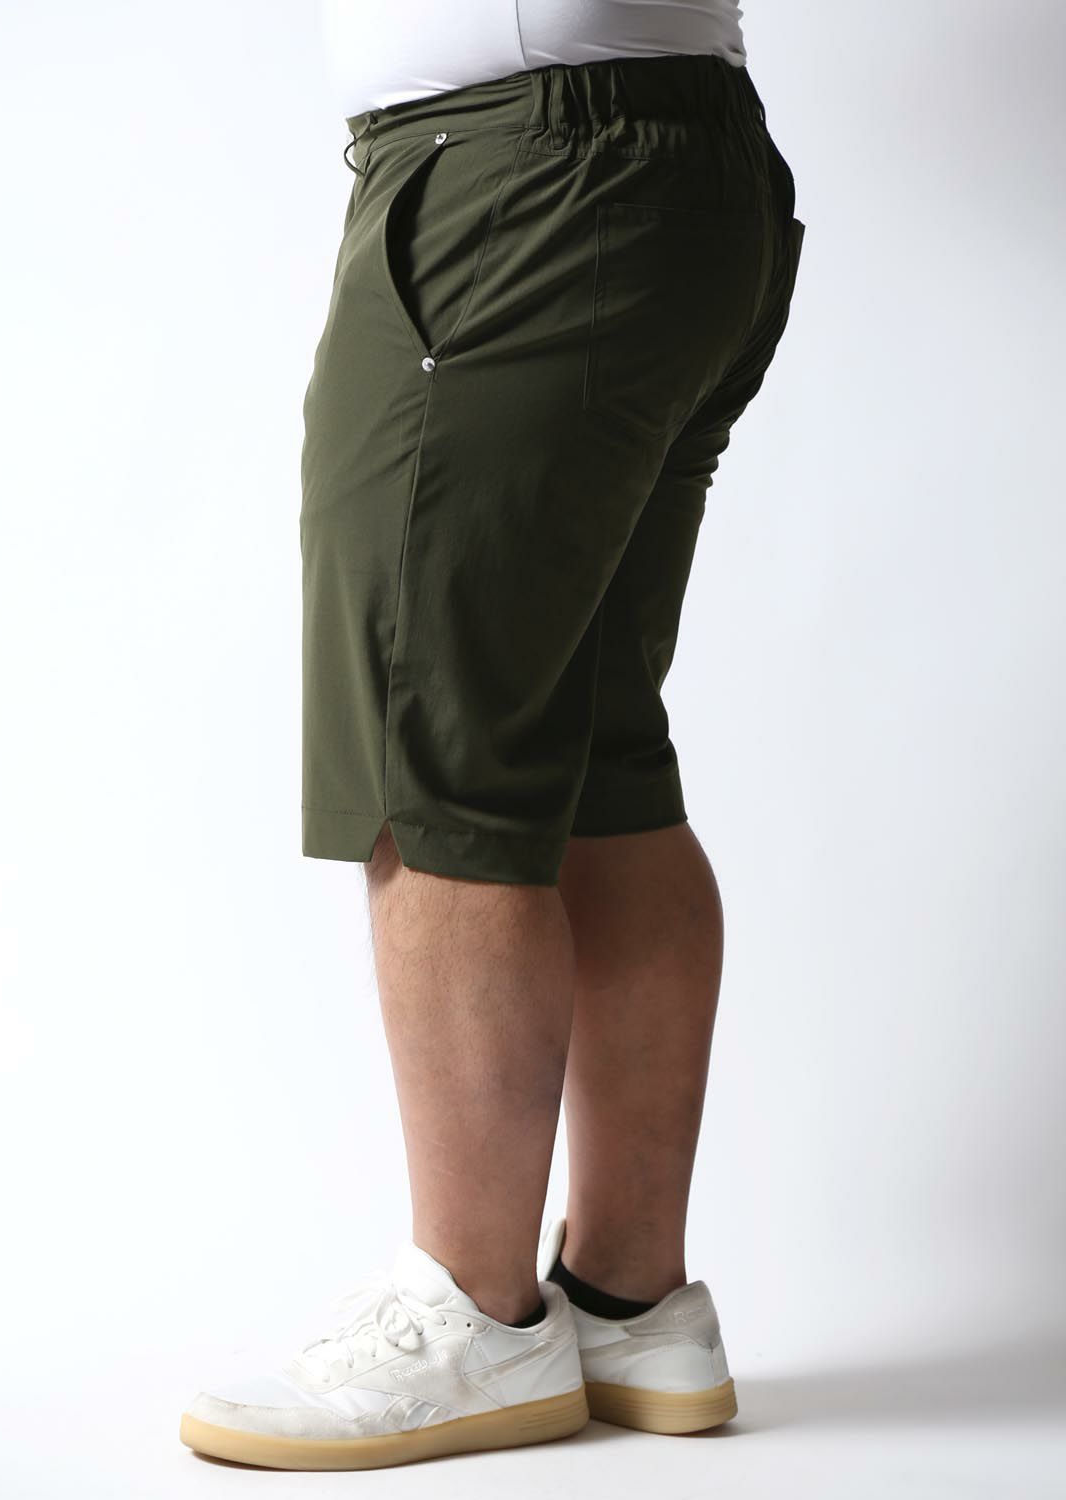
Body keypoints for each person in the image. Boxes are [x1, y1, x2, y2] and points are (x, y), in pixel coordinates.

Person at [181, 0, 805, 1471]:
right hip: (678, 164)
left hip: (518, 174)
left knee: (434, 751)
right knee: (596, 752)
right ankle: (631, 1302)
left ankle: (474, 1316)